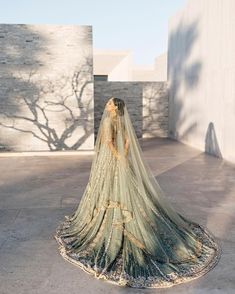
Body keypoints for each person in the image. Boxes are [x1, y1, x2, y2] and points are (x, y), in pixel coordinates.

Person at [54, 97, 221, 288]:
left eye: (109, 104)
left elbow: (109, 142)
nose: (107, 106)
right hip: (121, 159)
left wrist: (119, 158)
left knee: (113, 189)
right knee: (128, 187)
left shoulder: (109, 121)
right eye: (108, 103)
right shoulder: (120, 120)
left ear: (115, 108)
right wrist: (124, 156)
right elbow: (126, 141)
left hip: (113, 160)